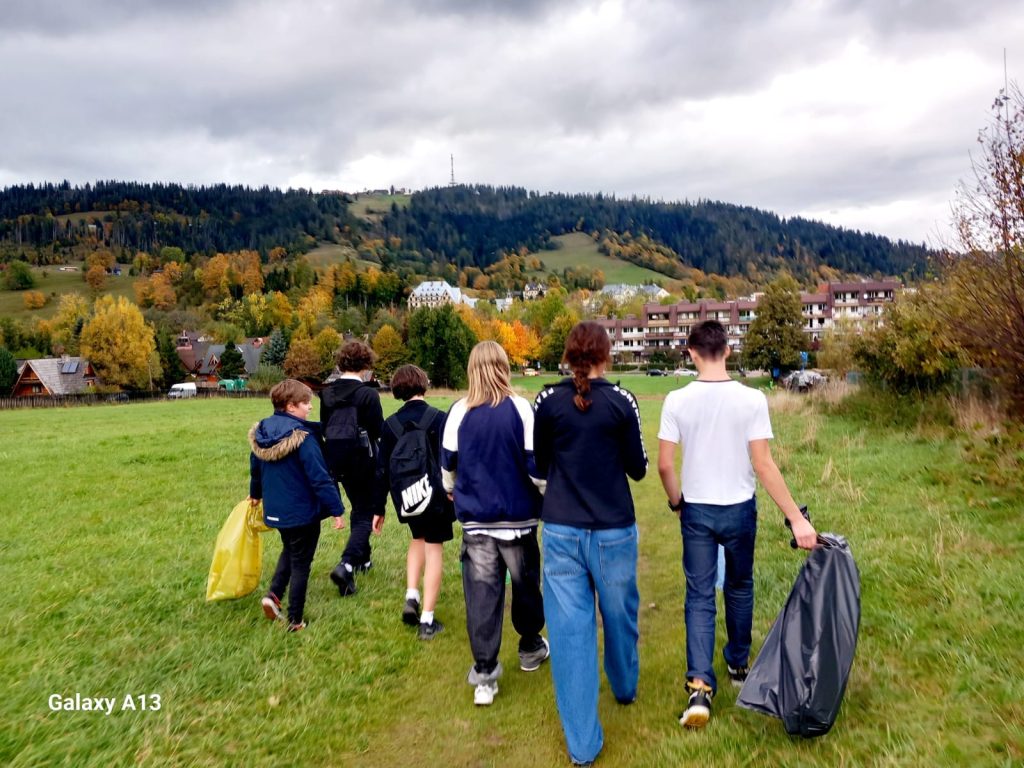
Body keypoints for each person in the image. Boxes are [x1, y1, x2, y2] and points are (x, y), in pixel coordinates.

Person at [657, 319, 817, 729]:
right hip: (739, 509)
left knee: (699, 595)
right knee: (740, 585)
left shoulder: (676, 400)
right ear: (727, 351)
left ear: (692, 353)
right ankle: (739, 663)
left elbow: (663, 465)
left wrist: (677, 503)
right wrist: (796, 518)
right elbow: (762, 464)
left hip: (697, 511)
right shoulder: (751, 400)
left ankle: (699, 688)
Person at [533, 321, 648, 767]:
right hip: (613, 530)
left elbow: (540, 462)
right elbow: (637, 468)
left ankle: (583, 746)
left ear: (568, 355)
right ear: (606, 354)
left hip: (561, 529)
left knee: (570, 635)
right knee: (619, 615)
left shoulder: (546, 399)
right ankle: (624, 685)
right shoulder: (622, 402)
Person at [441, 341, 549, 707]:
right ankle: (531, 645)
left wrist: (451, 489)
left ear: (472, 370)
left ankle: (485, 675)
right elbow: (536, 465)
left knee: (482, 596)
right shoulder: (521, 409)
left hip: (477, 521)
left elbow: (448, 464)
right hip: (518, 518)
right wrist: (548, 494)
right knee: (526, 586)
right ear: (504, 367)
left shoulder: (458, 412)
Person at [248, 378, 346, 632]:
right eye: (306, 403)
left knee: (290, 550)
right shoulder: (303, 437)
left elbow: (256, 469)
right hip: (302, 513)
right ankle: (296, 620)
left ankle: (273, 596)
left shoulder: (262, 433)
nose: (310, 408)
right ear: (291, 406)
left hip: (277, 511)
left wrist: (255, 494)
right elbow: (319, 476)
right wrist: (336, 509)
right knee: (302, 562)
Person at [372, 364, 453, 640]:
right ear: (423, 384)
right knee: (434, 549)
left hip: (407, 498)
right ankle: (427, 619)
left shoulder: (390, 424)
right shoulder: (439, 418)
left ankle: (411, 595)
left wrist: (378, 508)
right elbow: (451, 459)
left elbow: (381, 469)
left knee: (417, 538)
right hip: (436, 497)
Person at [318, 340, 384, 597]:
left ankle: (363, 559)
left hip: (336, 458)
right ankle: (346, 564)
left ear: (340, 362)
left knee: (358, 504)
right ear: (366, 364)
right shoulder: (368, 394)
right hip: (363, 457)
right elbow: (378, 430)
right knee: (366, 511)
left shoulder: (327, 393)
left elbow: (324, 427)